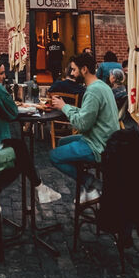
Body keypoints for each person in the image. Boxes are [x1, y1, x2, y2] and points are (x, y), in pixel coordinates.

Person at [0, 59, 61, 213]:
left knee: (18, 148)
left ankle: (39, 188)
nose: (4, 76)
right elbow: (13, 112)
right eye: (1, 73)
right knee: (20, 156)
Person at [49, 52, 120, 202]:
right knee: (62, 142)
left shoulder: (93, 91)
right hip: (106, 138)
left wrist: (64, 108)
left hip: (98, 145)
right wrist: (66, 106)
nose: (73, 74)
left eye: (75, 70)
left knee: (54, 156)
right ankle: (87, 187)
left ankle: (91, 184)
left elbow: (82, 124)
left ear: (84, 69)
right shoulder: (102, 86)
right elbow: (87, 114)